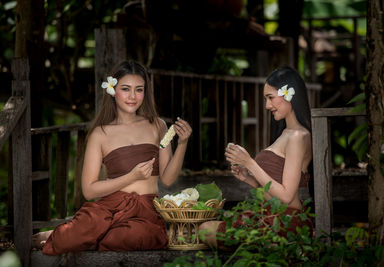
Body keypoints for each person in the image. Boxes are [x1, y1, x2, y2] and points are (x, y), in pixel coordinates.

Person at [33, 60, 192, 255]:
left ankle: (85, 238)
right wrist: (131, 177)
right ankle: (65, 235)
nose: (132, 96)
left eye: (139, 90)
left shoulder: (157, 125)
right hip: (109, 208)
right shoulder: (100, 134)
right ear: (112, 90)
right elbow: (89, 191)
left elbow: (167, 178)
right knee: (84, 229)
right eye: (125, 89)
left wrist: (182, 144)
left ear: (145, 92)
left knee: (130, 236)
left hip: (145, 210)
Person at [200, 66, 313, 248]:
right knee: (205, 229)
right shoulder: (286, 133)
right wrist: (249, 178)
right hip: (270, 215)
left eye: (270, 98)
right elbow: (274, 192)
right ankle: (269, 247)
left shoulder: (298, 136)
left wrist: (250, 163)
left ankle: (278, 246)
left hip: (286, 220)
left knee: (206, 229)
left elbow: (285, 196)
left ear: (288, 94)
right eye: (266, 99)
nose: (267, 106)